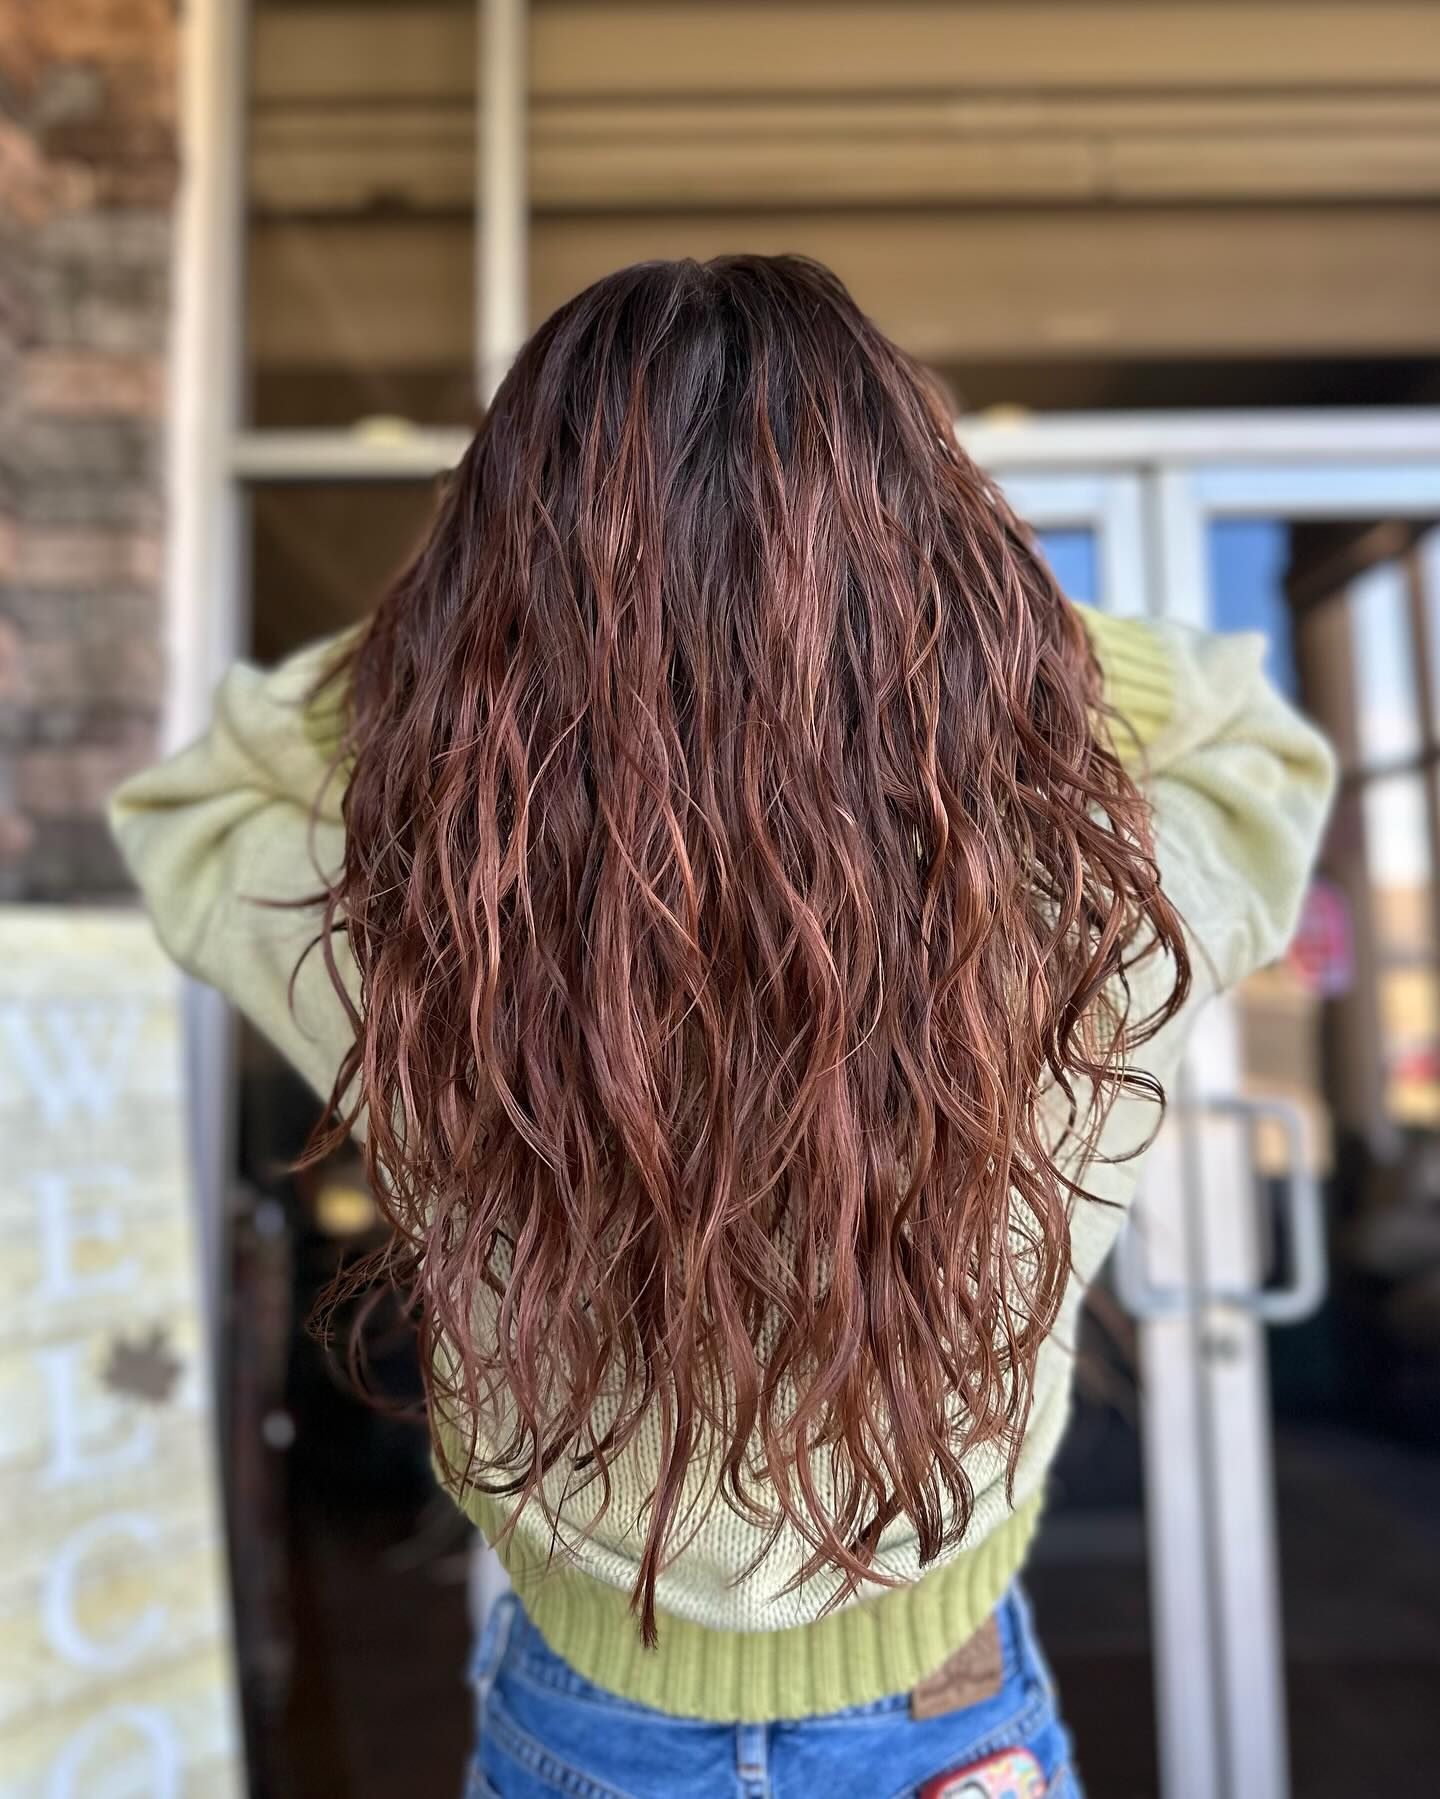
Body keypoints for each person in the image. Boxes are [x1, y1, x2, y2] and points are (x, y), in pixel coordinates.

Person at [107, 256, 1336, 1799]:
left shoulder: (424, 950)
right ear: (923, 570)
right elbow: (1258, 745)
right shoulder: (1077, 923)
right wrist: (991, 643)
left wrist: (455, 650)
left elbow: (197, 796)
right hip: (952, 1734)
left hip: (583, 1731)